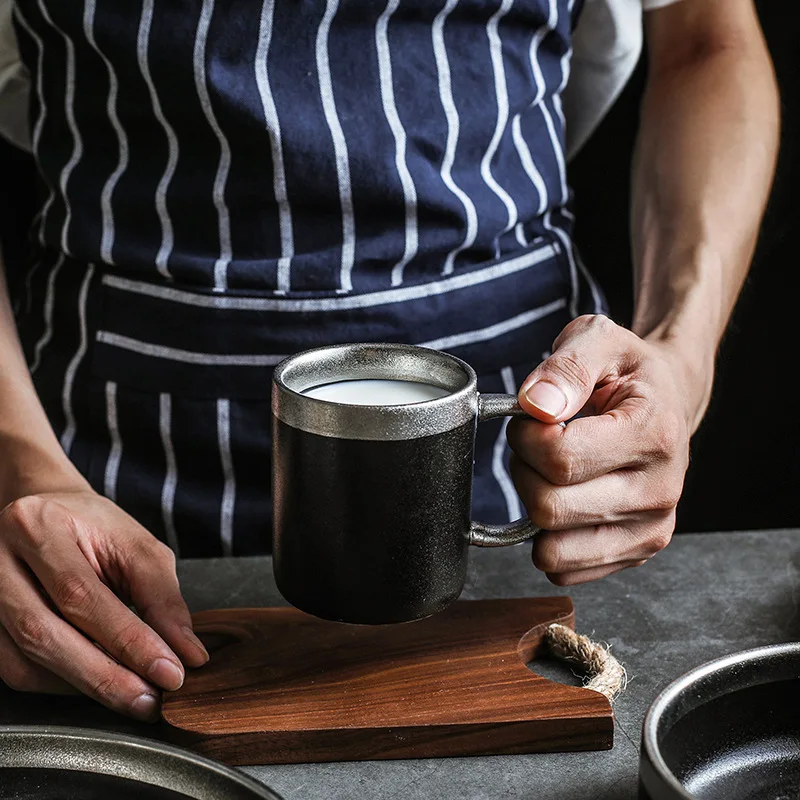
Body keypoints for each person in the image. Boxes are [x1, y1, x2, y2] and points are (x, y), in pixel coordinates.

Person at [0, 0, 779, 722]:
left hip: (530, 484)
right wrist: (20, 467)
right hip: (103, 494)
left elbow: (705, 37)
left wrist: (679, 356)